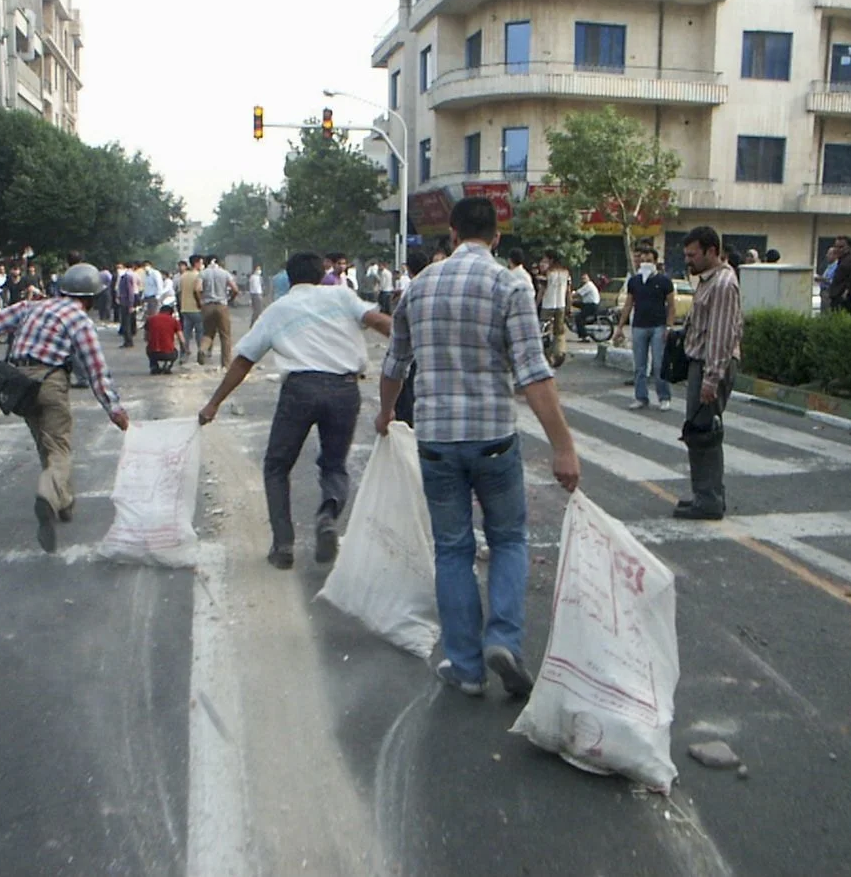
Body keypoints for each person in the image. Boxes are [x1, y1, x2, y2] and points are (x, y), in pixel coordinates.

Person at [376, 197, 581, 698]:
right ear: (496, 237)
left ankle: (465, 667)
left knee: (452, 550)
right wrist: (563, 448)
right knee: (508, 540)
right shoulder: (510, 283)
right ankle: (504, 640)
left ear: (450, 232)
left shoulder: (419, 287)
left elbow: (394, 364)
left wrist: (384, 415)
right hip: (492, 438)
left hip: (436, 441)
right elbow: (533, 373)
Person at [198, 251, 392, 569]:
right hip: (344, 390)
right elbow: (380, 322)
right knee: (334, 465)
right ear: (322, 274)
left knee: (277, 466)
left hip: (299, 391)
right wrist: (417, 342)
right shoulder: (343, 296)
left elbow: (244, 359)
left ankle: (283, 546)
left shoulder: (278, 310)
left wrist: (213, 403)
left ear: (288, 279)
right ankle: (327, 515)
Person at [0, 263, 129, 551]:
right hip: (50, 381)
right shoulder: (79, 320)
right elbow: (95, 370)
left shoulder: (32, 306)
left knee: (45, 442)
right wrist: (113, 409)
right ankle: (48, 494)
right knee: (59, 448)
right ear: (89, 298)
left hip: (17, 384)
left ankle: (62, 502)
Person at [676, 227, 743, 521]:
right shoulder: (707, 281)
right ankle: (705, 494)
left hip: (710, 365)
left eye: (693, 254)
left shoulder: (724, 284)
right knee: (699, 432)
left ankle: (710, 500)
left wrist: (711, 379)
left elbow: (721, 334)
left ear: (712, 251)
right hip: (700, 364)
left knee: (704, 434)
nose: (689, 261)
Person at [614, 245, 675, 411]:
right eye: (642, 260)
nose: (645, 263)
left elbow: (671, 306)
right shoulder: (635, 281)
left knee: (658, 364)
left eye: (649, 260)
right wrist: (620, 327)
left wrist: (669, 327)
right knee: (639, 365)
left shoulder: (664, 281)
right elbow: (628, 305)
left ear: (655, 262)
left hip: (658, 326)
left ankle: (664, 397)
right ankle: (641, 397)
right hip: (639, 326)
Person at [392, 250, 430, 427]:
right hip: (428, 347)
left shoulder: (410, 287)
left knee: (407, 386)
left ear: (408, 268)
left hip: (412, 346)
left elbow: (399, 320)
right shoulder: (432, 285)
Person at [196, 255, 238, 367]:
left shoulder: (203, 273)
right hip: (221, 305)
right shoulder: (224, 273)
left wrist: (200, 301)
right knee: (225, 336)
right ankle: (226, 364)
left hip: (207, 306)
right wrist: (230, 299)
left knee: (208, 333)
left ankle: (202, 349)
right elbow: (235, 289)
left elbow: (197, 289)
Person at [539, 250, 571, 367]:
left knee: (544, 331)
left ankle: (547, 357)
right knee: (559, 332)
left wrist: (535, 303)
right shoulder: (566, 273)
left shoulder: (547, 273)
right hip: (560, 305)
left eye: (546, 259)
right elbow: (568, 291)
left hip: (547, 305)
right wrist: (569, 305)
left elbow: (542, 291)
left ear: (551, 260)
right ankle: (559, 354)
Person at [827, 236, 851, 314]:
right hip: (837, 298)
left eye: (841, 247)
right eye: (836, 247)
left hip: (843, 300)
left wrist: (847, 291)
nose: (838, 250)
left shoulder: (850, 261)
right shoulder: (842, 260)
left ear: (848, 248)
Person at [145, 304, 185, 374]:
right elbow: (181, 338)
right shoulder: (174, 321)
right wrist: (184, 348)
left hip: (153, 353)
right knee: (175, 352)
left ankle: (154, 366)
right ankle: (167, 366)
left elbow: (146, 337)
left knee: (149, 348)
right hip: (168, 353)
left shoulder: (150, 319)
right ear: (171, 313)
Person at [180, 255, 205, 357]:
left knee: (186, 333)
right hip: (196, 308)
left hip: (185, 307)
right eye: (201, 263)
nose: (202, 265)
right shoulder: (198, 276)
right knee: (200, 333)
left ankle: (183, 354)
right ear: (197, 263)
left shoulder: (183, 275)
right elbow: (197, 290)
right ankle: (200, 353)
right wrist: (200, 303)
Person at [573, 272, 600, 341]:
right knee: (574, 303)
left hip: (591, 305)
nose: (583, 280)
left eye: (585, 278)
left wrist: (568, 296)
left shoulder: (588, 285)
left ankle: (584, 336)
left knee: (578, 318)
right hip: (588, 304)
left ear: (588, 278)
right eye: (582, 278)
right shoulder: (588, 285)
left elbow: (577, 294)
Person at [116, 262, 137, 347]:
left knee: (126, 323)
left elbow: (130, 292)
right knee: (124, 323)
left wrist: (131, 304)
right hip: (123, 302)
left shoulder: (127, 278)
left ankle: (128, 341)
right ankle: (127, 341)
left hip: (126, 303)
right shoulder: (122, 278)